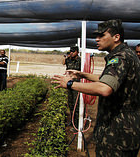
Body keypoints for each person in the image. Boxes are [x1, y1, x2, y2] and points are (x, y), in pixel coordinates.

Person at [52, 20, 140, 157]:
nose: (96, 39)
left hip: (117, 134)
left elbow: (105, 88)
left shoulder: (120, 57)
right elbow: (108, 80)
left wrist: (70, 84)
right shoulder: (127, 54)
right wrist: (82, 74)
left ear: (116, 37)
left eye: (101, 36)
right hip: (125, 131)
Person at [64, 46, 81, 127]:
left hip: (77, 85)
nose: (71, 53)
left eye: (73, 51)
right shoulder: (68, 60)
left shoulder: (81, 60)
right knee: (70, 104)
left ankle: (77, 124)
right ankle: (72, 121)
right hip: (69, 84)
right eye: (70, 51)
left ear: (77, 52)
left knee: (76, 105)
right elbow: (64, 63)